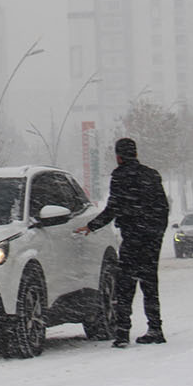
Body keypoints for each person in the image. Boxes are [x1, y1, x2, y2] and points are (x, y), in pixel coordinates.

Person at [74, 137, 170, 348]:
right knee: (150, 285)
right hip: (150, 240)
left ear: (118, 155)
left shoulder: (120, 176)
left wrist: (92, 225)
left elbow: (113, 208)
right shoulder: (151, 175)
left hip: (132, 239)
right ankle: (155, 328)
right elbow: (163, 208)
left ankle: (122, 332)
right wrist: (156, 234)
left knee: (125, 286)